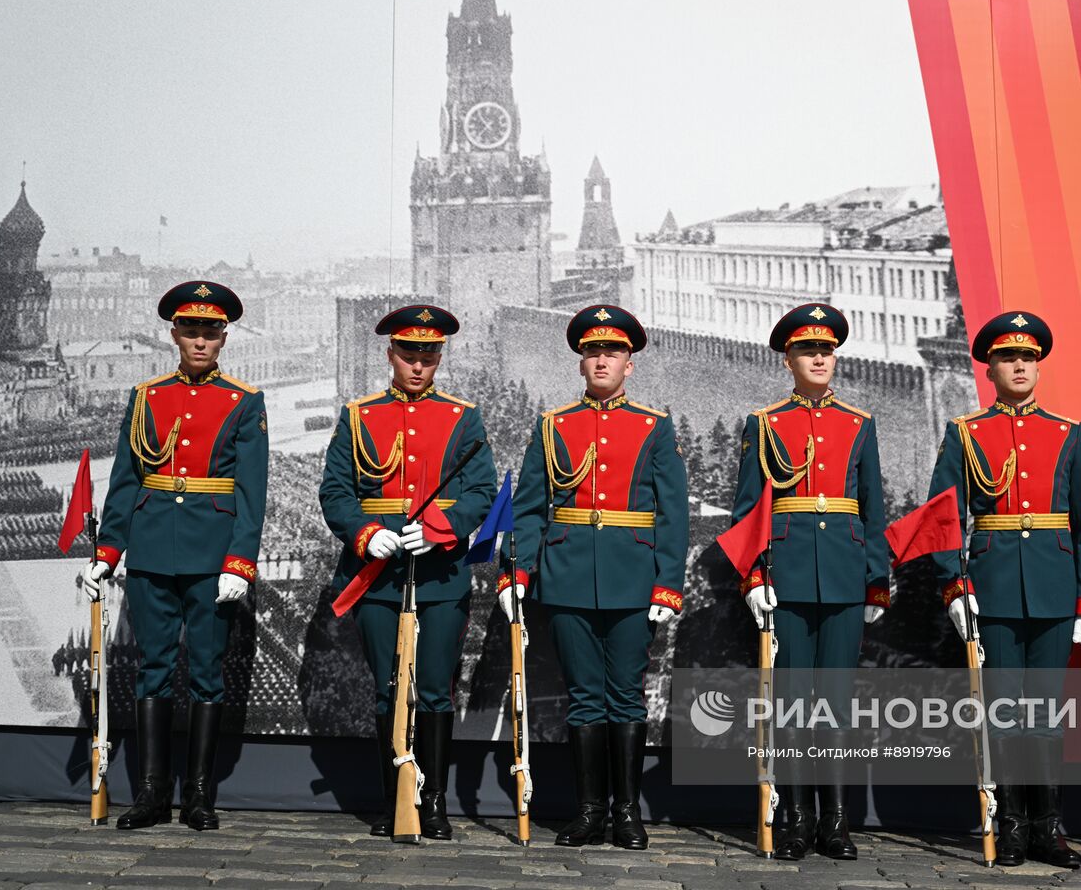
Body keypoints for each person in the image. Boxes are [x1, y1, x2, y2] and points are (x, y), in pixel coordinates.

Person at [82, 281, 268, 831]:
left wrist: (239, 561)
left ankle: (200, 795)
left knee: (207, 674)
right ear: (174, 334)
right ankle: (152, 792)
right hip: (151, 549)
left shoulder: (243, 401)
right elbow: (125, 479)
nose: (200, 340)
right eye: (191, 330)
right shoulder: (146, 397)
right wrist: (107, 551)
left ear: (224, 337)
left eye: (210, 331)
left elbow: (251, 491)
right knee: (153, 670)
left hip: (212, 556)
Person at [500, 305, 687, 850]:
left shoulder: (653, 426)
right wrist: (517, 572)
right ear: (581, 363)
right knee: (583, 697)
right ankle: (588, 812)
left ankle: (627, 814)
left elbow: (673, 514)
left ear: (630, 364)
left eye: (613, 353)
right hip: (568, 575)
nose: (602, 361)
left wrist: (667, 583)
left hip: (633, 578)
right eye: (592, 353)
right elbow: (529, 508)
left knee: (626, 696)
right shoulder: (554, 425)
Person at [926, 311, 1081, 869]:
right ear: (990, 369)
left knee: (1045, 712)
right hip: (994, 587)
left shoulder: (1068, 433)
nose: (1020, 366)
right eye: (1008, 358)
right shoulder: (966, 432)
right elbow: (942, 517)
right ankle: (1012, 826)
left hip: (1054, 587)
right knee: (1003, 712)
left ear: (1039, 366)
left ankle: (1048, 826)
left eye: (1028, 357)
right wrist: (955, 587)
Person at [320, 304, 497, 839]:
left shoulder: (462, 416)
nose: (419, 366)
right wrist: (366, 532)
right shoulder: (359, 415)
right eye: (409, 355)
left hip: (441, 573)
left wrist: (442, 527)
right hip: (379, 572)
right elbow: (336, 491)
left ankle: (435, 802)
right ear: (390, 354)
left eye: (429, 356)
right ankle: (396, 798)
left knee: (437, 690)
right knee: (388, 689)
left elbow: (481, 491)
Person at [729, 303, 891, 861]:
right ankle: (797, 819)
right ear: (788, 360)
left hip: (844, 574)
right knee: (795, 701)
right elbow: (748, 508)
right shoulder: (765, 423)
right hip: (788, 575)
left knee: (837, 703)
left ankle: (836, 821)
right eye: (807, 350)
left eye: (826, 350)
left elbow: (872, 506)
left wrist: (876, 580)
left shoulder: (859, 423)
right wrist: (755, 575)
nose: (819, 358)